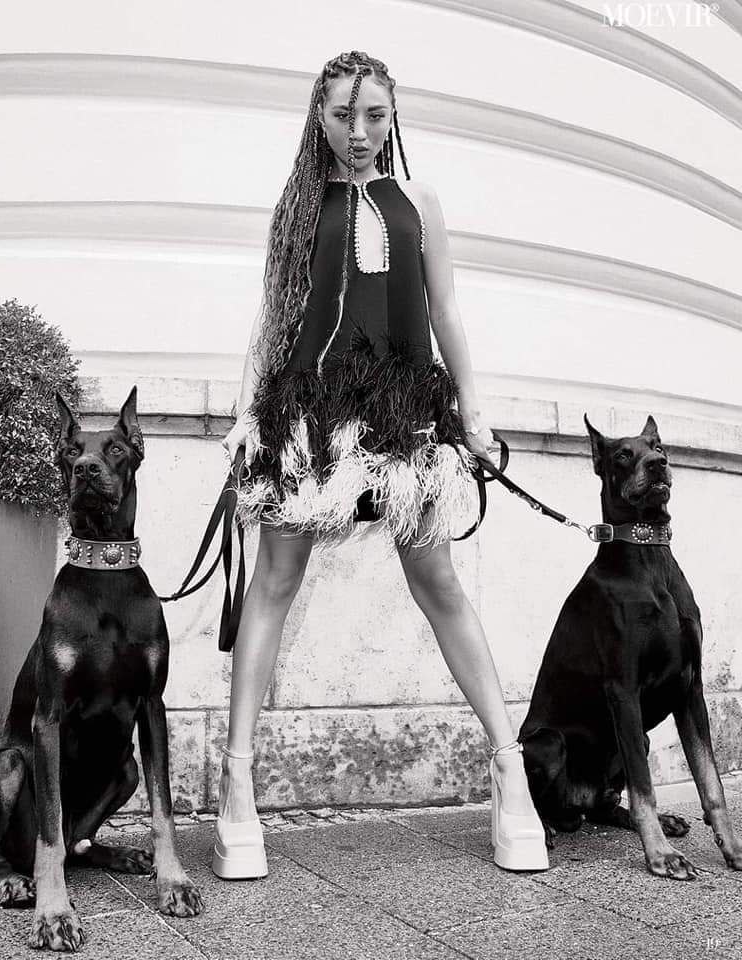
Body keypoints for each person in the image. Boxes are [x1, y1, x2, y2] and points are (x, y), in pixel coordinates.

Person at [214, 50, 548, 880]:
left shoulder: (420, 202)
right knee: (275, 581)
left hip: (403, 411)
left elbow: (445, 310)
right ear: (318, 116)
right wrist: (247, 414)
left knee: (438, 582)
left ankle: (509, 769)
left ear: (393, 115)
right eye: (342, 116)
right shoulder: (297, 206)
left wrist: (473, 412)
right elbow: (270, 318)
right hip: (309, 413)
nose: (358, 133)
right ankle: (237, 781)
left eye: (373, 116)